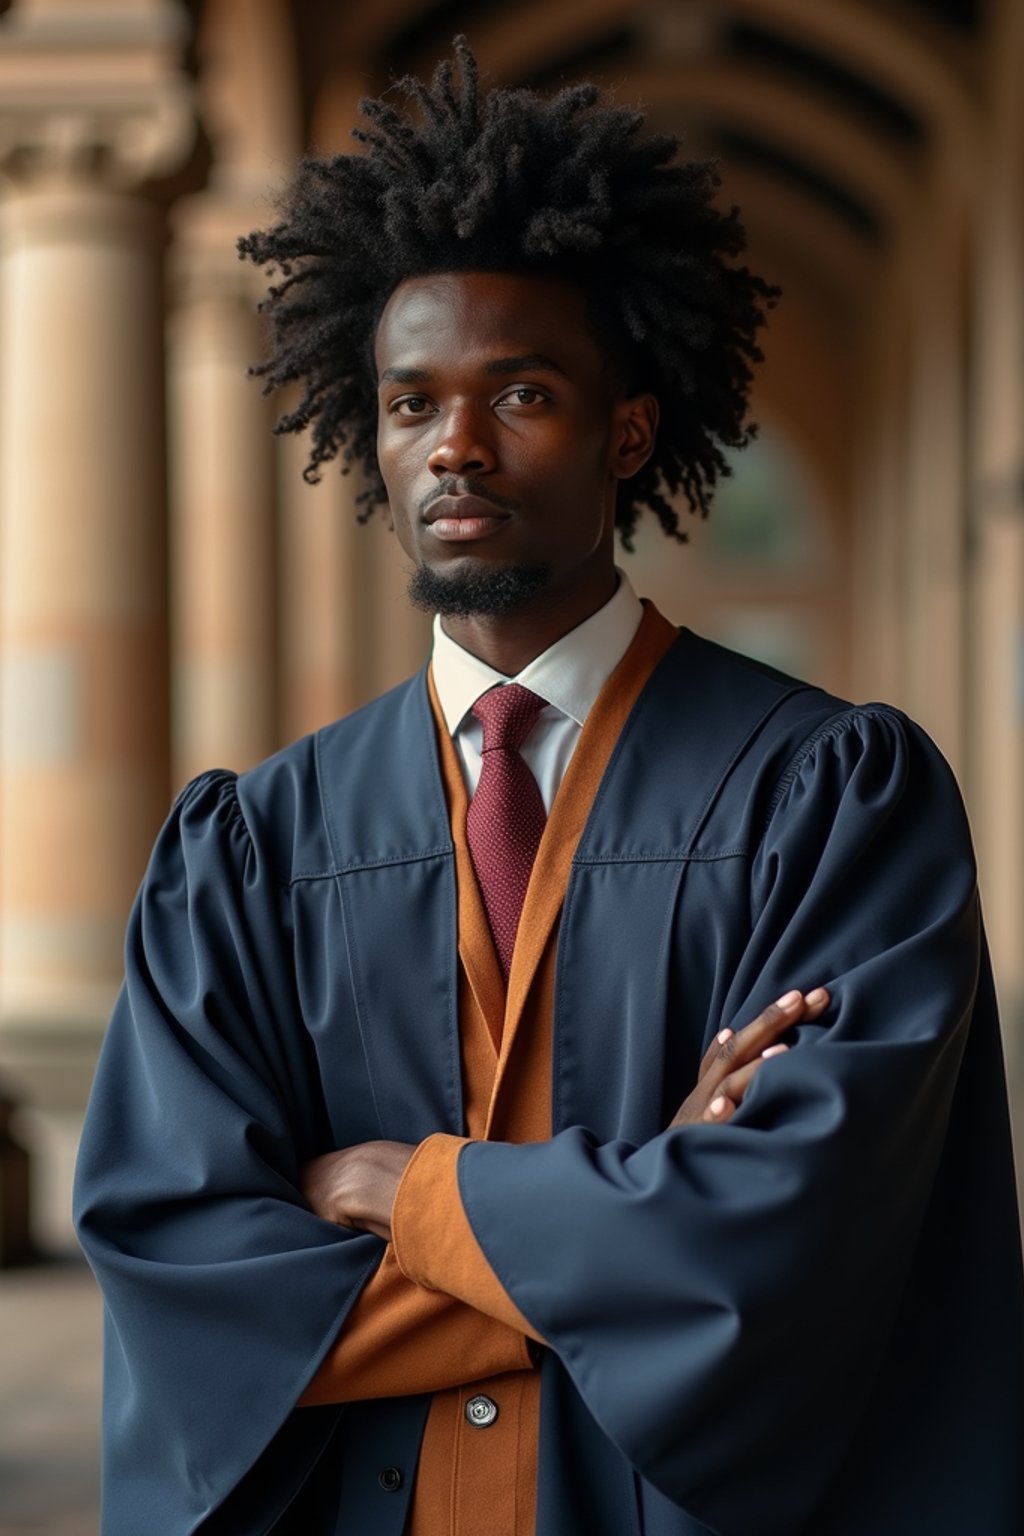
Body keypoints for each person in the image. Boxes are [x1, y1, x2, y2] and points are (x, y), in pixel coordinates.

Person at [73, 37, 1024, 1536]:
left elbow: (783, 1258)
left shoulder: (835, 803)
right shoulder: (254, 849)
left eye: (520, 392)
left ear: (627, 430)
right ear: (370, 436)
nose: (455, 446)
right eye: (410, 403)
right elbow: (191, 1280)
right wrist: (638, 1209)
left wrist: (401, 1193)